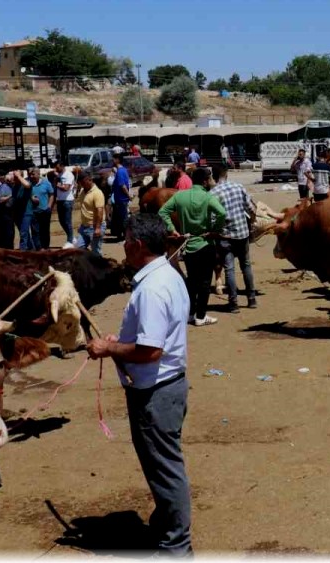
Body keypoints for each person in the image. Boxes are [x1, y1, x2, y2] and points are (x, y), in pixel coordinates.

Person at [86, 213, 193, 556]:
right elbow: (149, 340)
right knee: (161, 466)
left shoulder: (152, 287)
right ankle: (165, 526)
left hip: (156, 391)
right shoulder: (166, 274)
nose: (124, 246)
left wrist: (108, 348)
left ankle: (176, 547)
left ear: (139, 244)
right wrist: (123, 341)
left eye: (127, 240)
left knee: (165, 471)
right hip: (164, 385)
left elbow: (150, 351)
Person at [159, 166, 227, 328]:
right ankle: (201, 316)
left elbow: (163, 212)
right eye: (209, 179)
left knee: (191, 281)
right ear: (204, 181)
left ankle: (190, 313)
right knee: (204, 282)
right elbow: (222, 213)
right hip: (204, 244)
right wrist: (214, 230)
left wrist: (173, 230)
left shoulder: (180, 196)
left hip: (188, 244)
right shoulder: (207, 197)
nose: (211, 181)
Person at [210, 164, 257, 313]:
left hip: (225, 235)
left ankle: (233, 303)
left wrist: (216, 232)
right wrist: (252, 221)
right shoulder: (239, 187)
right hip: (242, 233)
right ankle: (251, 299)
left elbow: (212, 219)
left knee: (229, 269)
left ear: (214, 176)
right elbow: (251, 208)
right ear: (227, 174)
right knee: (246, 265)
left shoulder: (213, 193)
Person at [76, 173, 107, 253]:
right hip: (84, 226)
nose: (82, 185)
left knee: (96, 251)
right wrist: (82, 223)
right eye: (80, 183)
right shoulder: (83, 192)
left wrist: (97, 228)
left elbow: (100, 211)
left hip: (94, 226)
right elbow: (84, 209)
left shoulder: (97, 193)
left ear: (89, 180)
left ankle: (99, 264)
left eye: (83, 183)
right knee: (79, 248)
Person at [29, 168, 54, 250]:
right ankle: (39, 248)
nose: (31, 176)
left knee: (45, 230)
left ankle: (45, 247)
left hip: (45, 210)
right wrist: (31, 198)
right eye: (31, 174)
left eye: (33, 174)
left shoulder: (46, 183)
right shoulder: (28, 184)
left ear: (38, 174)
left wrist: (49, 206)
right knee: (35, 231)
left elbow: (51, 194)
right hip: (33, 211)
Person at [54, 161, 76, 248]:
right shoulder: (59, 175)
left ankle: (70, 241)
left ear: (62, 166)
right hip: (60, 200)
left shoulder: (69, 175)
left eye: (57, 167)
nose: (56, 169)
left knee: (67, 221)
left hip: (68, 200)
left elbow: (66, 188)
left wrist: (57, 185)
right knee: (61, 220)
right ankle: (71, 237)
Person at [110, 154, 132, 240]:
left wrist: (128, 195)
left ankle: (125, 236)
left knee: (123, 218)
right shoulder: (122, 170)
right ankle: (120, 235)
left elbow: (122, 186)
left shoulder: (120, 171)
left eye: (114, 159)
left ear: (118, 160)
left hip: (121, 199)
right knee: (120, 218)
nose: (112, 161)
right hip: (120, 199)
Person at [0, 173, 15, 249]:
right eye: (12, 180)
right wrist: (11, 196)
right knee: (8, 233)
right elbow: (1, 200)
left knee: (10, 232)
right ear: (8, 180)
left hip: (10, 212)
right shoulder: (4, 187)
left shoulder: (11, 187)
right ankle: (7, 249)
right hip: (5, 213)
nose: (13, 181)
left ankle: (8, 247)